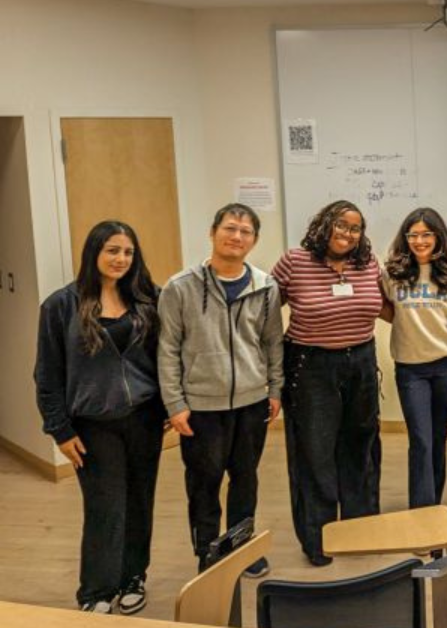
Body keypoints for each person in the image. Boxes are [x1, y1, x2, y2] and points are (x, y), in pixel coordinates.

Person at [35, 221, 165, 614]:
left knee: (140, 502)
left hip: (144, 419)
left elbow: (166, 358)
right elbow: (47, 373)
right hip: (91, 424)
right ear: (94, 252)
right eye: (112, 250)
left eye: (127, 252)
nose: (121, 259)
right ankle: (95, 591)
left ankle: (132, 577)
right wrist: (59, 429)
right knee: (105, 506)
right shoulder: (61, 305)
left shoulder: (148, 299)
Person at [159, 203, 283, 577]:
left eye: (245, 232)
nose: (237, 237)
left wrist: (275, 389)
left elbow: (272, 342)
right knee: (204, 481)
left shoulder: (266, 287)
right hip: (200, 406)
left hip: (252, 402)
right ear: (213, 232)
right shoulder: (181, 287)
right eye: (230, 228)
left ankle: (241, 547)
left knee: (245, 477)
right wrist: (174, 403)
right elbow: (167, 348)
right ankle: (207, 553)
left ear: (254, 240)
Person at [271, 200, 383, 567]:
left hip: (362, 363)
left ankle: (359, 530)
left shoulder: (368, 263)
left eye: (355, 228)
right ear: (324, 224)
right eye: (341, 225)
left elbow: (384, 306)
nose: (348, 234)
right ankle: (318, 538)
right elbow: (267, 312)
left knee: (361, 448)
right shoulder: (295, 261)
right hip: (311, 365)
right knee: (314, 454)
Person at [382, 207, 447, 509]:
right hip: (410, 369)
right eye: (413, 235)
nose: (419, 240)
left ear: (438, 236)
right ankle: (421, 512)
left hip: (446, 365)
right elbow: (385, 308)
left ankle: (434, 506)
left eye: (426, 234)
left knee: (438, 437)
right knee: (421, 440)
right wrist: (408, 324)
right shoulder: (392, 273)